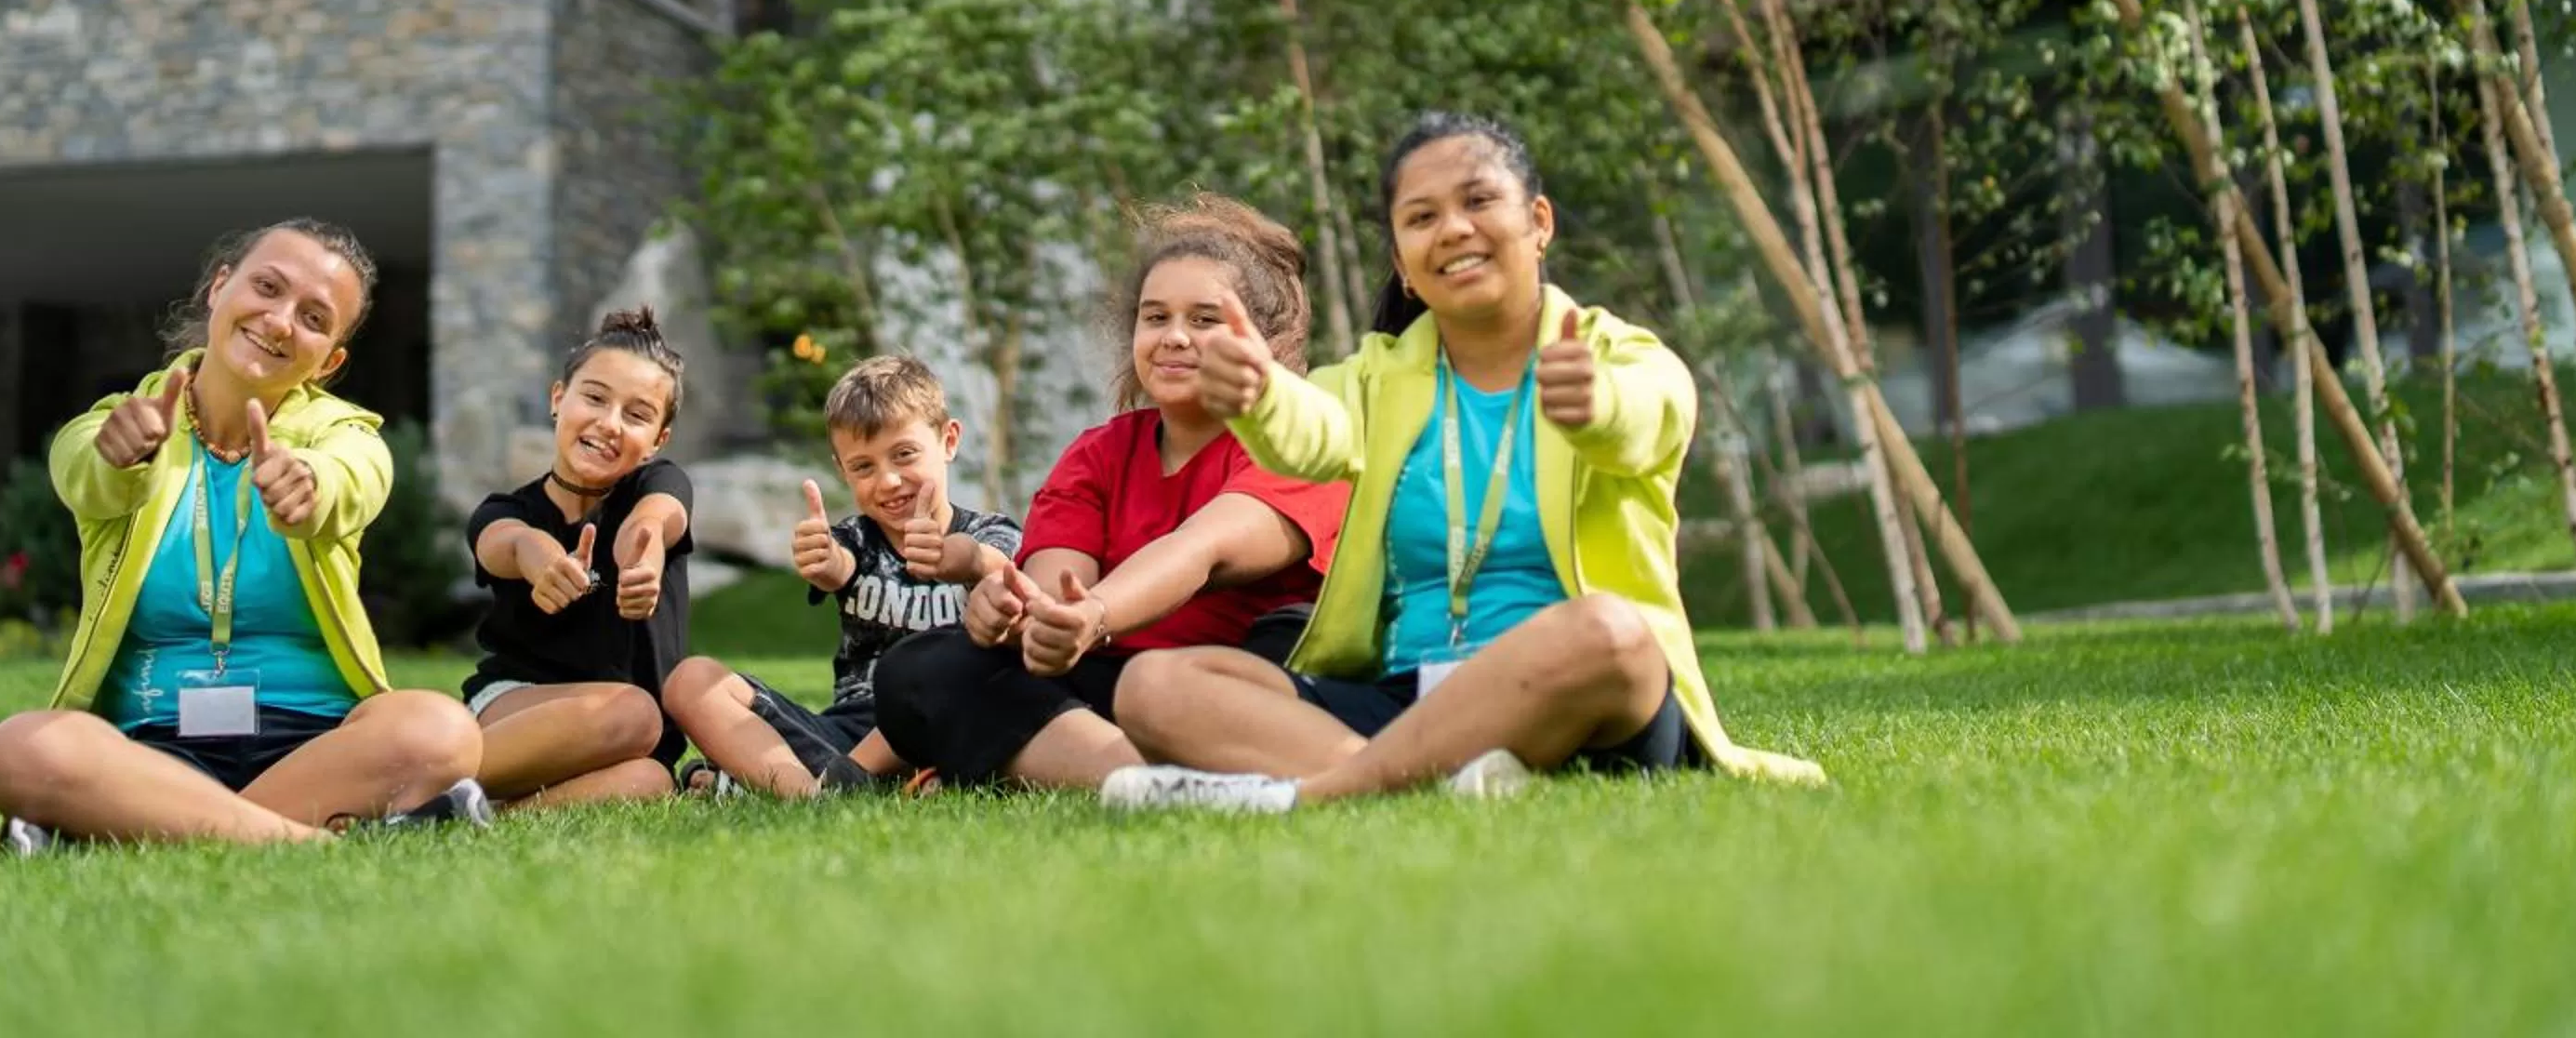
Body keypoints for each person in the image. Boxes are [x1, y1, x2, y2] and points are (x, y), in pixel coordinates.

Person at [1102, 114, 1826, 812]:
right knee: (1153, 688)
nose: (1452, 228)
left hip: (1577, 695)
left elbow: (1653, 414)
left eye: (1478, 201)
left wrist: (1596, 404)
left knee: (1609, 630)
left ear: (1538, 223)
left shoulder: (1613, 353)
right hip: (1412, 689)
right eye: (1421, 218)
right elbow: (1314, 431)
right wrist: (1261, 396)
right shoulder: (1379, 379)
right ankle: (1442, 778)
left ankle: (1312, 793)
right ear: (1403, 265)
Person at [0, 220, 490, 848]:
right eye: (267, 288)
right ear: (220, 288)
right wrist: (119, 460)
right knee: (22, 748)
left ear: (329, 360)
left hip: (316, 743)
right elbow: (82, 469)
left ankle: (134, 826)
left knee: (441, 729)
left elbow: (357, 477)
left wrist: (310, 485)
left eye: (312, 317)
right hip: (147, 744)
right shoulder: (121, 424)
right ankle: (308, 839)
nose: (279, 321)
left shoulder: (344, 437)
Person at [868, 196, 1349, 792]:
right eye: (1156, 318)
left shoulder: (1298, 444)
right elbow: (1054, 586)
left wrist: (1093, 615)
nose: (1174, 338)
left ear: (1263, 342)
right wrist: (1023, 610)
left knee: (1288, 640)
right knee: (923, 668)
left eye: (1204, 321)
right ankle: (1155, 783)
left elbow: (1202, 549)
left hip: (1230, 682)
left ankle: (1081, 768)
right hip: (1104, 685)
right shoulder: (1099, 452)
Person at [665, 353, 1019, 797]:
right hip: (849, 733)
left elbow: (998, 566)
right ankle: (815, 793)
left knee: (996, 706)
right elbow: (841, 565)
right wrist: (829, 563)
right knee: (690, 681)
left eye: (904, 455)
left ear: (948, 441)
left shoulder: (991, 532)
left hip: (946, 718)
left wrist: (958, 557)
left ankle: (747, 779)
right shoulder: (854, 538)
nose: (888, 481)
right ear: (842, 471)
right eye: (863, 467)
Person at [460, 307, 695, 811]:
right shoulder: (506, 510)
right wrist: (540, 559)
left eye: (636, 416)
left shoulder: (659, 485)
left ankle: (466, 814)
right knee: (636, 712)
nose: (610, 424)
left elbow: (653, 522)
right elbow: (508, 542)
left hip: (620, 744)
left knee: (652, 780)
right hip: (513, 708)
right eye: (594, 398)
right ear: (558, 398)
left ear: (658, 440)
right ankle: (418, 781)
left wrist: (643, 560)